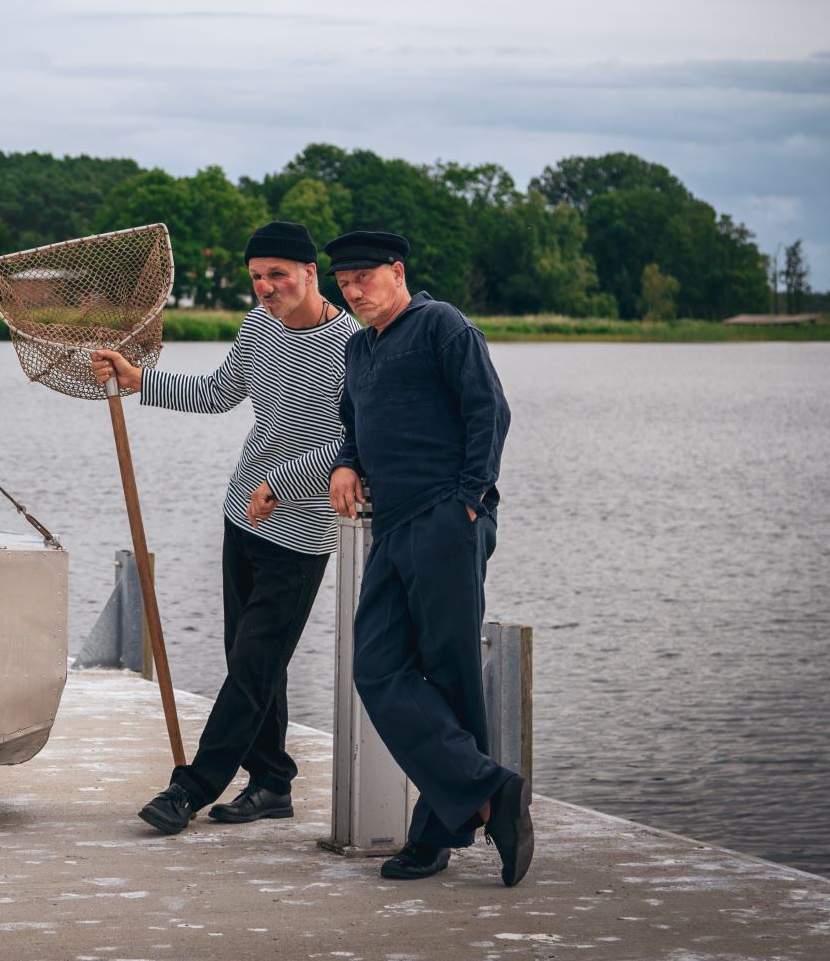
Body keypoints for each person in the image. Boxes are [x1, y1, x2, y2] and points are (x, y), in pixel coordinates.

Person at [91, 221, 358, 835]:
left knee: (253, 665)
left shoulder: (353, 346)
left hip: (302, 534)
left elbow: (355, 444)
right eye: (257, 276)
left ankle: (190, 789)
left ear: (310, 273)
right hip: (242, 518)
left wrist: (283, 483)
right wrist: (137, 379)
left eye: (278, 275)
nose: (265, 287)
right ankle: (272, 782)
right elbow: (218, 392)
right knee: (253, 661)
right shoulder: (257, 326)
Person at [323, 229, 532, 887]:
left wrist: (471, 499)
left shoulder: (441, 324)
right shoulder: (359, 348)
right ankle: (490, 794)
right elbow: (353, 424)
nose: (353, 292)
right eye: (343, 283)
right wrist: (346, 462)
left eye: (364, 278)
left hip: (445, 517)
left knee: (449, 674)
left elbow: (489, 410)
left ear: (397, 271)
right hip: (392, 526)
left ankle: (434, 834)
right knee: (376, 666)